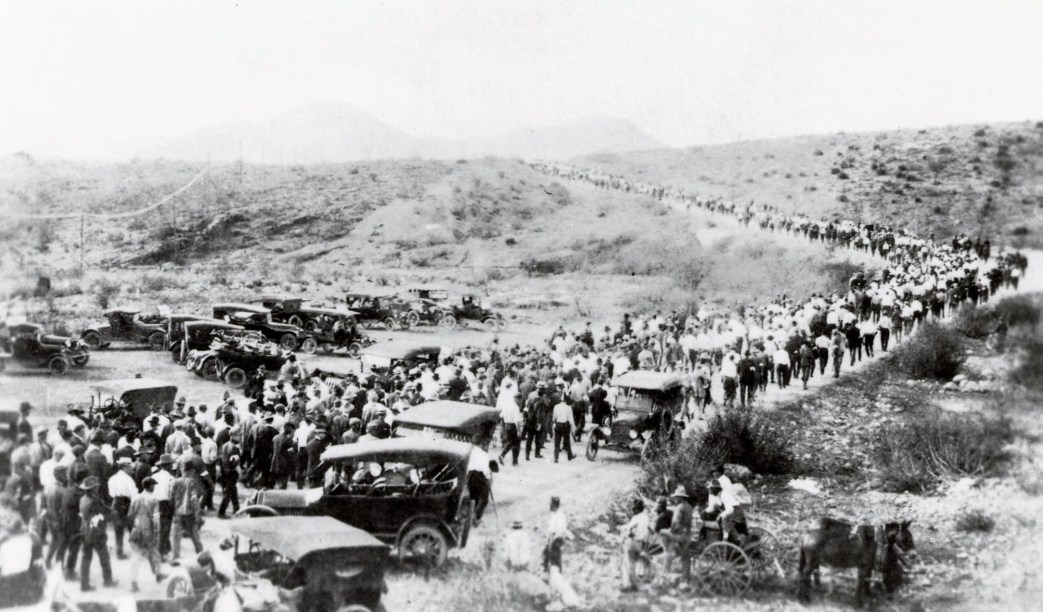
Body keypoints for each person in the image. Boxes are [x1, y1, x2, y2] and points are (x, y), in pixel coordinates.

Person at [78, 476, 116, 591]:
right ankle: (108, 580)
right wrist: (113, 512)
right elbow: (106, 513)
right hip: (96, 532)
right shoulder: (96, 501)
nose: (98, 488)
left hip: (85, 531)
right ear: (93, 489)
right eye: (96, 487)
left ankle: (84, 584)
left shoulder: (83, 499)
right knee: (104, 557)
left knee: (86, 558)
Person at [127, 477, 161, 591]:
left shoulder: (135, 498)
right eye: (153, 485)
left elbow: (130, 515)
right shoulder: (154, 499)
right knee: (154, 553)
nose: (154, 487)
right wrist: (157, 532)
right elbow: (156, 518)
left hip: (136, 529)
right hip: (148, 531)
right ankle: (158, 574)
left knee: (135, 557)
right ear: (150, 486)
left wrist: (132, 528)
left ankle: (133, 582)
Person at [657, 485, 693, 582]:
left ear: (681, 497)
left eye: (677, 497)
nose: (675, 499)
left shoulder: (679, 507)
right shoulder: (689, 507)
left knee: (662, 532)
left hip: (680, 536)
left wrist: (671, 531)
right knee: (686, 556)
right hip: (688, 535)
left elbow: (675, 523)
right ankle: (685, 577)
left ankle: (668, 552)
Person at [170, 464, 204, 559]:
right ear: (191, 470)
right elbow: (194, 498)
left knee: (176, 537)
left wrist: (173, 511)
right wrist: (198, 512)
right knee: (195, 536)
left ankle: (175, 557)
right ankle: (201, 555)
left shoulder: (175, 481)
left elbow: (171, 498)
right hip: (190, 513)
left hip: (178, 513)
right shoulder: (193, 482)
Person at [107, 457, 137, 560]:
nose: (131, 469)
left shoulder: (113, 478)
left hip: (115, 503)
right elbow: (134, 494)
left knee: (118, 529)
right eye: (129, 467)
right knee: (132, 527)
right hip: (126, 503)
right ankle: (135, 550)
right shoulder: (128, 479)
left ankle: (119, 552)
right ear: (125, 467)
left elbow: (111, 493)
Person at [620, 498, 651, 592]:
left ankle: (629, 585)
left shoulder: (636, 517)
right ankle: (635, 584)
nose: (633, 511)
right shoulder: (646, 518)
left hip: (633, 542)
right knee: (635, 563)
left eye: (634, 509)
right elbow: (650, 530)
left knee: (628, 564)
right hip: (641, 543)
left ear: (638, 509)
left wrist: (628, 534)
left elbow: (629, 528)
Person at [467, 446, 495, 526]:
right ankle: (476, 517)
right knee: (484, 500)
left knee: (474, 498)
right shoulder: (484, 454)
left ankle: (472, 517)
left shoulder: (471, 452)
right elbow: (485, 469)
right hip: (480, 476)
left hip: (470, 476)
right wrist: (488, 479)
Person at [551, 396, 576, 462]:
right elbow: (571, 419)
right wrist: (573, 427)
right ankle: (569, 455)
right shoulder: (568, 408)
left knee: (557, 442)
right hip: (565, 425)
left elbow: (554, 417)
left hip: (558, 424)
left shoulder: (556, 406)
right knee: (567, 441)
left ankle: (556, 457)